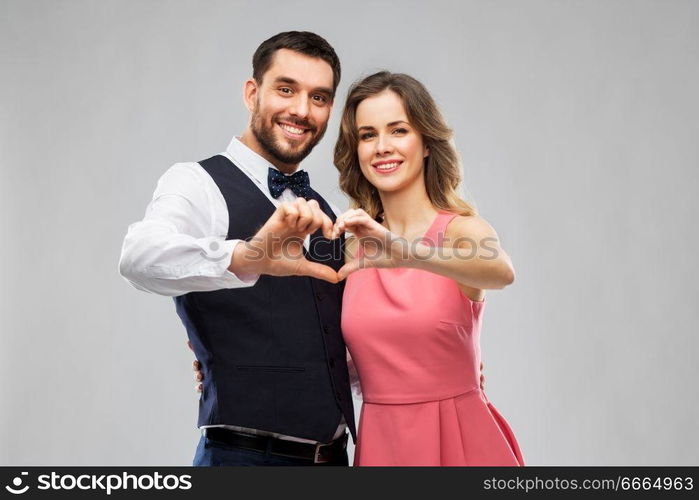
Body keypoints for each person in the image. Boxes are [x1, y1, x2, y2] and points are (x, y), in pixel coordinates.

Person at [119, 31, 356, 466]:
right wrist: (245, 256)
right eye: (286, 89)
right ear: (252, 93)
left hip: (336, 460)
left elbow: (333, 354)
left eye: (319, 98)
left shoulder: (329, 213)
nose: (301, 110)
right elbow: (138, 257)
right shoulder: (196, 182)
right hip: (243, 459)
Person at [330, 71, 525, 466]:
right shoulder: (350, 245)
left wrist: (405, 253)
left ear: (425, 144)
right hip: (382, 441)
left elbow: (501, 271)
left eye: (398, 130)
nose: (382, 147)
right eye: (367, 135)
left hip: (462, 440)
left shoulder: (462, 229)